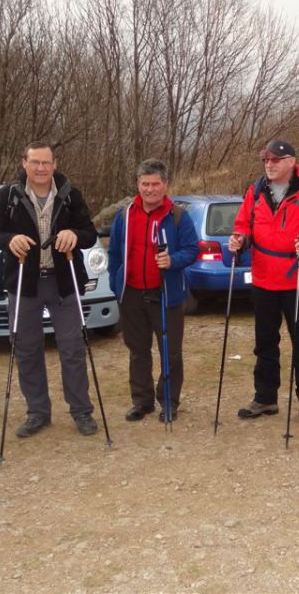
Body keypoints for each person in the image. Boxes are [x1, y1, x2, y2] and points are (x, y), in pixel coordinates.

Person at [0, 143, 99, 438]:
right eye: (35, 162)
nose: (41, 168)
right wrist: (10, 239)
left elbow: (89, 233)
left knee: (72, 348)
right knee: (26, 348)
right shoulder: (7, 196)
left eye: (46, 162)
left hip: (63, 280)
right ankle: (38, 412)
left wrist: (74, 234)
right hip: (24, 281)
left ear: (54, 164)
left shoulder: (70, 194)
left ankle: (81, 411)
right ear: (24, 163)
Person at [229, 139, 299, 428]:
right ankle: (265, 397)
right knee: (264, 342)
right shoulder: (255, 191)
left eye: (275, 160)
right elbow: (243, 225)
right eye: (266, 160)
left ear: (291, 162)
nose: (269, 165)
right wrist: (240, 240)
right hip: (263, 279)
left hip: (298, 279)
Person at [107, 159, 198, 423]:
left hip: (166, 293)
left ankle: (169, 402)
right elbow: (114, 254)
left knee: (171, 352)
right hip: (132, 293)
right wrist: (117, 285)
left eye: (155, 184)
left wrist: (173, 261)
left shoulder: (179, 216)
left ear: (165, 185)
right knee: (137, 350)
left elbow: (192, 250)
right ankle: (141, 401)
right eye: (145, 184)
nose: (150, 189)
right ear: (138, 185)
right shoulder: (124, 216)